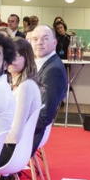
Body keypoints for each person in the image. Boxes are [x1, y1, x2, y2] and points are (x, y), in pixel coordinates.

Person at [0, 38, 42, 167]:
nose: (12, 60)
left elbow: (15, 136)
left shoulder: (25, 87)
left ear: (27, 58)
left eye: (17, 55)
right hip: (13, 148)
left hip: (11, 152)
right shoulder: (18, 83)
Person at [28, 25, 67, 154]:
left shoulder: (53, 70)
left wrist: (16, 125)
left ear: (54, 43)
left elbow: (44, 116)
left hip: (30, 135)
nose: (39, 43)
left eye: (45, 39)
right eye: (35, 39)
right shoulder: (40, 63)